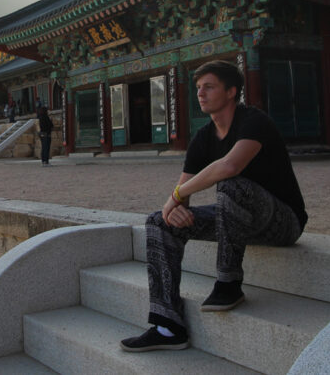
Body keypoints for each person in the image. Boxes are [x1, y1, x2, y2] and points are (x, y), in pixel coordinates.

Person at [120, 60, 307, 352]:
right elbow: (180, 197)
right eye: (197, 88)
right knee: (159, 220)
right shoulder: (203, 137)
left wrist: (178, 193)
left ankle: (228, 283)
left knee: (231, 185)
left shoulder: (254, 121)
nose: (200, 94)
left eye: (209, 86)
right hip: (236, 221)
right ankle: (167, 326)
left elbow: (230, 165)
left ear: (231, 91)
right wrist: (176, 206)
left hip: (282, 222)